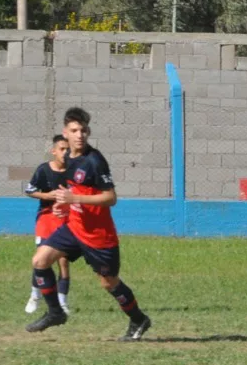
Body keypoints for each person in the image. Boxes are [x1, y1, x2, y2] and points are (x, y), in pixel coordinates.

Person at [25, 107, 152, 342]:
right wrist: (65, 205)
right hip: (74, 228)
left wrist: (75, 199)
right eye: (74, 130)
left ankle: (138, 319)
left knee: (108, 283)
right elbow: (76, 191)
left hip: (98, 236)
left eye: (83, 130)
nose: (79, 135)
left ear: (88, 132)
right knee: (40, 261)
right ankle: (55, 312)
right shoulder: (68, 158)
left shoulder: (95, 161)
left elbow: (110, 198)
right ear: (66, 132)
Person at [24, 135, 72, 314]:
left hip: (65, 218)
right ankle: (35, 295)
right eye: (62, 149)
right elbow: (30, 190)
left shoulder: (74, 170)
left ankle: (62, 302)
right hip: (46, 217)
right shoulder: (44, 170)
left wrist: (68, 206)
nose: (65, 153)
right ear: (54, 151)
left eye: (68, 149)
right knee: (42, 259)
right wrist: (46, 195)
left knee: (63, 260)